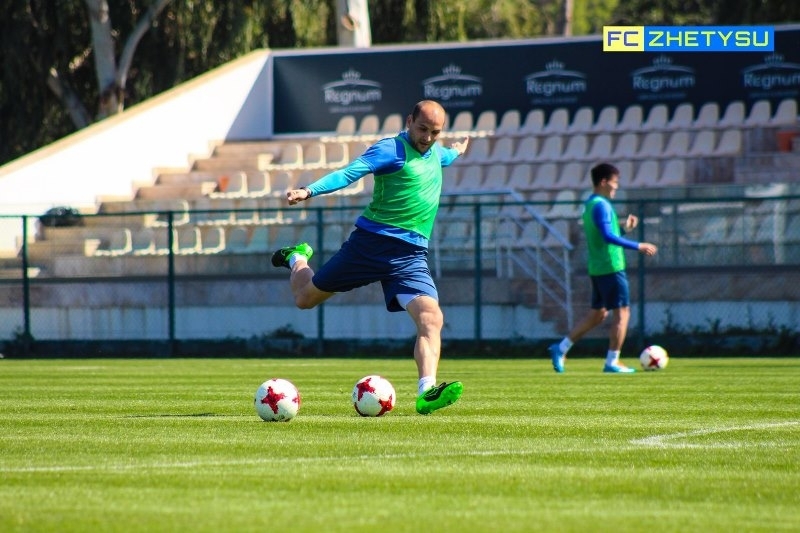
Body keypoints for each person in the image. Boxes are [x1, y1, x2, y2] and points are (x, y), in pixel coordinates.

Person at [271, 100, 470, 414]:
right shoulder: (391, 150)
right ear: (409, 121)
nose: (428, 138)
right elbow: (350, 173)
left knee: (431, 318)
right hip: (370, 246)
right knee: (304, 299)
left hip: (410, 256)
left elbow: (444, 156)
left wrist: (456, 151)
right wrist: (309, 191)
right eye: (422, 129)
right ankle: (297, 258)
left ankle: (426, 392)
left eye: (435, 132)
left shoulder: (435, 152)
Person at [548, 162, 658, 373]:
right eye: (615, 182)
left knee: (597, 315)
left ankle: (560, 348)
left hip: (598, 267)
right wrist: (639, 245)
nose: (617, 187)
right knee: (622, 313)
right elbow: (608, 237)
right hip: (610, 266)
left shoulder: (591, 204)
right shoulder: (602, 206)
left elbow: (605, 235)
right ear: (603, 182)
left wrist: (624, 230)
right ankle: (612, 361)